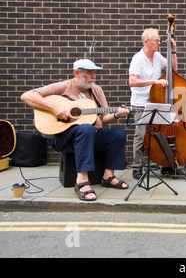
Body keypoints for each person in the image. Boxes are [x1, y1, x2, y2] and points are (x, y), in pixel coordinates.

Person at [21, 59, 130, 201]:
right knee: (86, 129)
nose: (93, 76)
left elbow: (103, 119)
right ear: (77, 73)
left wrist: (116, 115)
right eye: (89, 73)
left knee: (118, 134)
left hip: (90, 136)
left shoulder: (96, 90)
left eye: (94, 72)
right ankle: (82, 181)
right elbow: (27, 96)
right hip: (64, 138)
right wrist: (54, 108)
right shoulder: (64, 86)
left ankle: (108, 176)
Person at [128, 28, 177, 179]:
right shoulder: (138, 58)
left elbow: (173, 70)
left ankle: (165, 165)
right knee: (141, 135)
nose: (159, 43)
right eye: (156, 40)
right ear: (146, 42)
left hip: (156, 101)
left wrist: (173, 51)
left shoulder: (157, 56)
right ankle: (137, 167)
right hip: (140, 103)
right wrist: (154, 81)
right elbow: (132, 81)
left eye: (159, 40)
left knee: (161, 134)